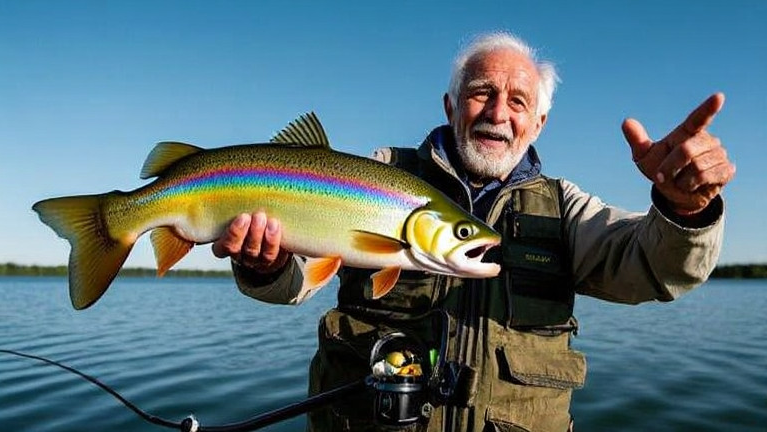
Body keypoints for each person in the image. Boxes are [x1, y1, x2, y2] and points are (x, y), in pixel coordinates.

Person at [211, 31, 735, 432]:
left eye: (518, 101)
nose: (498, 113)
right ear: (450, 105)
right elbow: (298, 279)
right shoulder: (379, 174)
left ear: (539, 122)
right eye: (481, 93)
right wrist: (267, 266)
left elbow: (652, 268)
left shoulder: (566, 208)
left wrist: (685, 209)